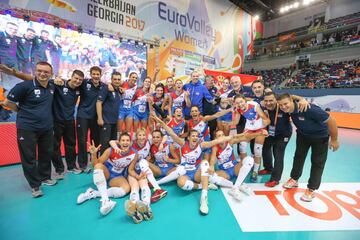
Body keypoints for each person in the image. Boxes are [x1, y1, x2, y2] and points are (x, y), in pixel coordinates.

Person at [152, 114, 252, 215]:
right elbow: (171, 132)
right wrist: (159, 121)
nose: (195, 137)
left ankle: (204, 198)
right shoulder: (182, 143)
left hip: (197, 173)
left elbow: (218, 140)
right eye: (193, 136)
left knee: (204, 163)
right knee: (181, 184)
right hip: (185, 173)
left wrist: (234, 136)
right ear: (189, 138)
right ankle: (202, 186)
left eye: (197, 136)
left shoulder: (202, 145)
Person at [0, 62, 57, 197]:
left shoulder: (52, 86)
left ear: (51, 74)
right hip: (27, 128)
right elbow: (8, 103)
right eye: (39, 71)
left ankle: (45, 177)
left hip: (47, 128)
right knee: (29, 157)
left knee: (46, 153)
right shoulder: (23, 86)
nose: (42, 74)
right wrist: (20, 110)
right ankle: (35, 185)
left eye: (46, 72)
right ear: (35, 71)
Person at [277, 93, 339, 202]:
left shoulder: (309, 109)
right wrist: (300, 98)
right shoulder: (288, 109)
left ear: (291, 101)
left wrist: (334, 140)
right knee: (298, 157)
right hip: (303, 135)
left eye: (285, 104)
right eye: (281, 105)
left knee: (317, 162)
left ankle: (311, 188)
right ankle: (294, 179)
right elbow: (290, 96)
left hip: (320, 137)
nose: (283, 107)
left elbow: (332, 121)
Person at [76, 133, 134, 216]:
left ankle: (93, 193)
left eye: (127, 140)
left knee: (126, 189)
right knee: (98, 166)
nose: (125, 142)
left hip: (117, 177)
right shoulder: (110, 150)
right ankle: (105, 200)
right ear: (119, 142)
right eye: (123, 140)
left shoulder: (133, 153)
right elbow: (95, 165)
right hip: (106, 173)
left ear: (130, 142)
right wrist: (94, 154)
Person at [110, 128, 168, 203]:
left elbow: (165, 136)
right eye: (140, 135)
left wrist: (162, 143)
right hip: (132, 169)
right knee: (135, 188)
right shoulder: (130, 143)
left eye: (144, 135)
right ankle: (134, 204)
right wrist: (116, 148)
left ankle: (148, 202)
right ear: (136, 136)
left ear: (146, 136)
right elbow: (111, 141)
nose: (142, 137)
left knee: (144, 186)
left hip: (142, 169)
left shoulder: (148, 141)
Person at [209, 129, 264, 200]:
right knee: (211, 177)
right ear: (216, 139)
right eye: (219, 136)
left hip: (235, 168)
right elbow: (213, 158)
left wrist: (259, 134)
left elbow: (245, 138)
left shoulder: (230, 142)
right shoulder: (215, 147)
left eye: (223, 135)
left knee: (249, 159)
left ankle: (235, 187)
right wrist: (212, 166)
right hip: (224, 171)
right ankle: (238, 185)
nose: (222, 137)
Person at [52, 70, 84, 178]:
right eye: (76, 78)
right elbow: (47, 82)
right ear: (71, 77)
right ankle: (59, 170)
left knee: (71, 145)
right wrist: (55, 79)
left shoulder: (78, 89)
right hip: (56, 121)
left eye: (80, 80)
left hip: (70, 120)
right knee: (55, 146)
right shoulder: (59, 84)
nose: (78, 81)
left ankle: (71, 167)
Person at [232, 94, 270, 182]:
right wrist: (229, 119)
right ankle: (244, 166)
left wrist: (265, 129)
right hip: (249, 128)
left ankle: (255, 171)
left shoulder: (254, 106)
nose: (240, 104)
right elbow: (236, 122)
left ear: (245, 100)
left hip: (260, 128)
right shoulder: (238, 109)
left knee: (257, 150)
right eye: (237, 103)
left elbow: (267, 119)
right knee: (242, 146)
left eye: (241, 102)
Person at [77, 66, 104, 172]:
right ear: (90, 74)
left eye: (98, 74)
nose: (96, 76)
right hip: (83, 116)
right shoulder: (84, 83)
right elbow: (72, 83)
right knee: (82, 140)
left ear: (100, 75)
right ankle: (83, 165)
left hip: (96, 118)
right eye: (94, 74)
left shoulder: (103, 86)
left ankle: (94, 160)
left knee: (96, 140)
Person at [262, 92, 292, 187]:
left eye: (271, 100)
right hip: (271, 133)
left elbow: (292, 99)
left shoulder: (283, 107)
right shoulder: (263, 107)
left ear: (276, 100)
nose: (268, 103)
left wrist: (302, 100)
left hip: (283, 134)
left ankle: (275, 179)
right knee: (265, 149)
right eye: (266, 101)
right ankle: (268, 168)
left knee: (278, 153)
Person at [96, 72, 122, 154]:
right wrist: (100, 118)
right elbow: (98, 102)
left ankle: (110, 162)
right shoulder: (106, 88)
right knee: (105, 144)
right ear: (111, 80)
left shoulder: (118, 90)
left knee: (113, 143)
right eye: (115, 79)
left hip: (114, 122)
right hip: (106, 121)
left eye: (118, 79)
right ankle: (102, 164)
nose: (117, 81)